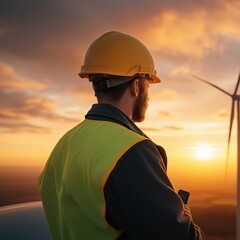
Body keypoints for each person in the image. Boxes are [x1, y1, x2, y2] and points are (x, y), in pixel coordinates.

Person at [38, 31, 204, 240]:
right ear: (136, 86)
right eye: (147, 84)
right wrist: (183, 211)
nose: (149, 95)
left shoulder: (63, 145)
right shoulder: (131, 151)